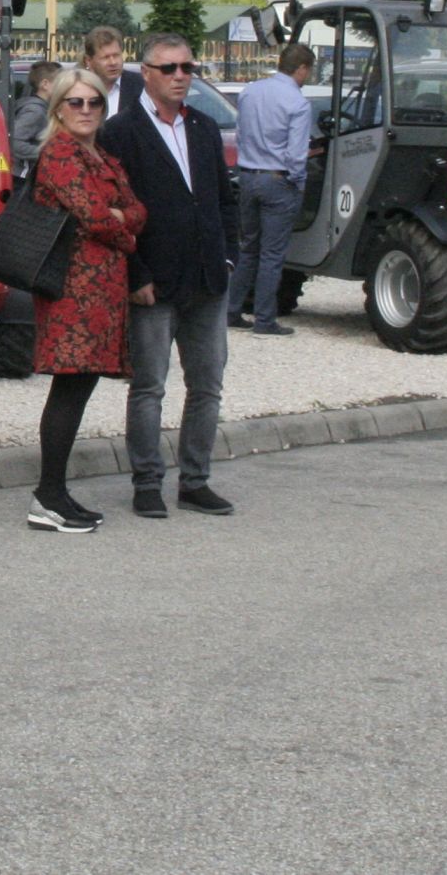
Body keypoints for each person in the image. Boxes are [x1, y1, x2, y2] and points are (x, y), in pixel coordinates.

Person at [99, 31, 239, 517]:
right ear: (146, 74)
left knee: (207, 385)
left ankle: (195, 481)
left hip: (207, 280)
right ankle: (147, 483)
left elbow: (223, 199)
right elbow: (113, 212)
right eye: (169, 68)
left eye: (187, 68)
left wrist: (228, 256)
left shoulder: (203, 127)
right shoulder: (121, 132)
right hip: (153, 284)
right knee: (149, 387)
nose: (181, 77)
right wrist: (135, 274)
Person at [25, 67, 144, 534]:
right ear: (58, 107)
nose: (86, 110)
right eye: (75, 102)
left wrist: (121, 219)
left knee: (79, 387)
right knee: (70, 386)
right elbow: (97, 216)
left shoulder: (102, 156)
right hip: (72, 292)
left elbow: (138, 210)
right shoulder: (60, 154)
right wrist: (125, 229)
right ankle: (47, 495)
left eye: (94, 101)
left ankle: (54, 491)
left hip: (102, 293)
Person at [229, 43, 316, 334]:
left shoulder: (250, 92)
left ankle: (231, 310)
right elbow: (296, 153)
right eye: (308, 71)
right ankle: (265, 319)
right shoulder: (298, 103)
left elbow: (241, 134)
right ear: (301, 68)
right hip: (278, 180)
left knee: (248, 248)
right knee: (272, 254)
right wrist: (298, 182)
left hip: (248, 176)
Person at [11, 61, 63, 173]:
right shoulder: (35, 111)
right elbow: (14, 142)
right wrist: (49, 153)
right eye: (60, 83)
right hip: (23, 177)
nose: (64, 88)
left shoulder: (43, 108)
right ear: (45, 84)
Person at [82, 27, 128, 118]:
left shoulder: (140, 86)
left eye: (116, 55)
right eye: (105, 57)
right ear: (89, 61)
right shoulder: (78, 87)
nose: (113, 62)